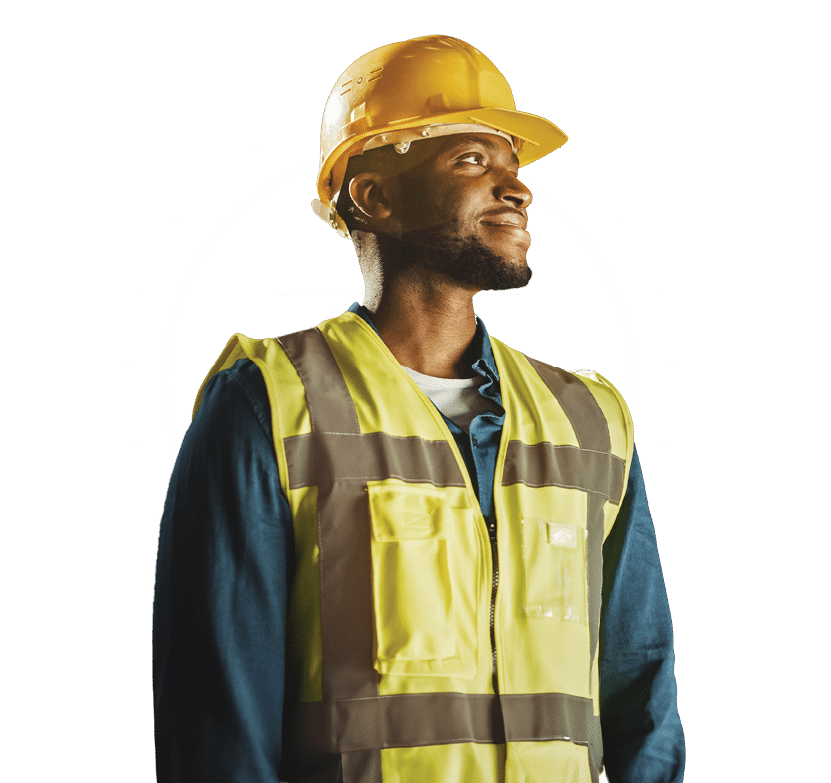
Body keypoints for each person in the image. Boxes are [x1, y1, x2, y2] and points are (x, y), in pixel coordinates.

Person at [152, 34, 685, 783]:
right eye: (471, 160)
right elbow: (219, 729)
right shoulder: (269, 403)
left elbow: (642, 693)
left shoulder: (590, 421)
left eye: (513, 165)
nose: (516, 187)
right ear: (374, 196)